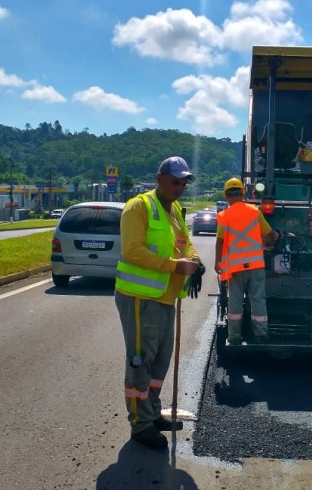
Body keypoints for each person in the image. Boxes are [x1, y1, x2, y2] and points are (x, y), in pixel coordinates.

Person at [114, 156, 205, 449]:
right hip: (141, 299)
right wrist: (173, 266)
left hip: (165, 298)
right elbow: (132, 252)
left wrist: (195, 261)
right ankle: (140, 425)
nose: (179, 188)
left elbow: (185, 243)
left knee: (160, 362)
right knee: (141, 362)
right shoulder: (138, 207)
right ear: (160, 178)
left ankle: (152, 413)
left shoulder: (175, 209)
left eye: (183, 183)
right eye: (175, 182)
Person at [214, 177, 278, 345]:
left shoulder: (224, 216)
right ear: (243, 194)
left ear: (227, 196)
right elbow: (269, 234)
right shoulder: (254, 211)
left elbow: (220, 241)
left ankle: (234, 337)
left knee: (235, 301)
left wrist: (217, 262)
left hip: (235, 268)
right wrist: (275, 238)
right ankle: (261, 335)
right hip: (255, 265)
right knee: (258, 299)